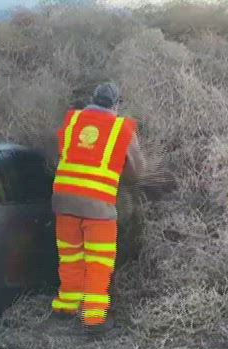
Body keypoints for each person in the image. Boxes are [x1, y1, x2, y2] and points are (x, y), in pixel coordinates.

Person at [50, 82, 146, 334]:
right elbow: (138, 170)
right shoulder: (122, 127)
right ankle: (94, 320)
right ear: (116, 105)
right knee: (98, 262)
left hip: (63, 200)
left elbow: (64, 153)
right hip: (97, 205)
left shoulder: (72, 121)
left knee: (70, 256)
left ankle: (65, 307)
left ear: (92, 99)